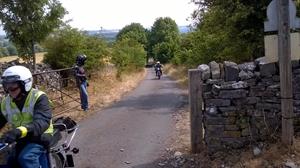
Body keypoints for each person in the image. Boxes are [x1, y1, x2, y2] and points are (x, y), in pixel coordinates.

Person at [0, 65, 53, 168]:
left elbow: (42, 122)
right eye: (6, 86)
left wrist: (19, 131)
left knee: (27, 158)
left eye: (13, 85)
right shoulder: (6, 102)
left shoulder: (39, 97)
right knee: (6, 160)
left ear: (25, 84)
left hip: (39, 136)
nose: (9, 89)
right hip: (19, 137)